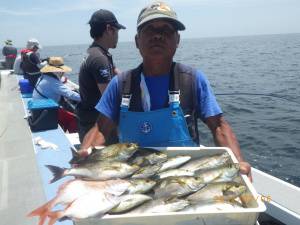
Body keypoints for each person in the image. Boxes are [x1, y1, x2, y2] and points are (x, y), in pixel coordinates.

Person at [80, 1, 252, 179]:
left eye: (166, 30)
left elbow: (218, 126)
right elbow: (101, 128)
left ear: (177, 40)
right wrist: (85, 157)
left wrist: (237, 160)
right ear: (137, 41)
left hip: (184, 181)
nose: (158, 36)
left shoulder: (193, 80)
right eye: (149, 30)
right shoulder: (119, 84)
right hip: (133, 181)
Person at [76, 9, 126, 142]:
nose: (117, 36)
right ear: (109, 29)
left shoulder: (94, 52)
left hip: (88, 119)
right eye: (117, 31)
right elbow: (110, 98)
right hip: (97, 126)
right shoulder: (99, 59)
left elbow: (114, 70)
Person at [32, 56, 81, 133]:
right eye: (61, 70)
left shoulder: (43, 77)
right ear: (56, 71)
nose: (63, 72)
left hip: (39, 108)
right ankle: (73, 135)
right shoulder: (53, 82)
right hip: (47, 111)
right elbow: (70, 94)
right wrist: (85, 98)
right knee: (74, 118)